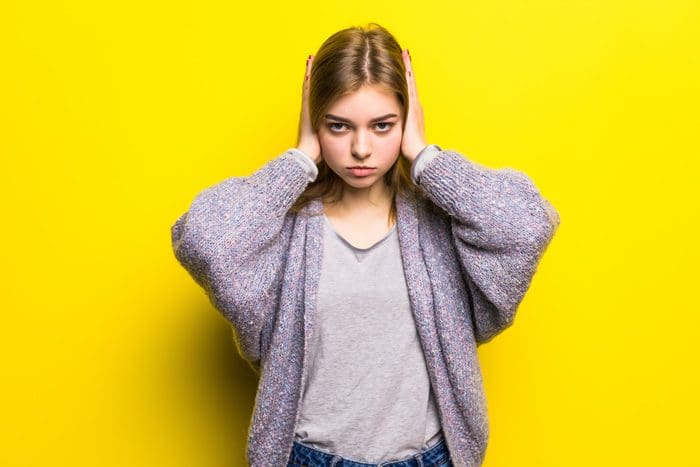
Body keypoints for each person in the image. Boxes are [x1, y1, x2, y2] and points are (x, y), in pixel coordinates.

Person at [171, 23, 560, 467]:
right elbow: (204, 239)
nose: (361, 148)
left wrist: (424, 154)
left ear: (408, 118)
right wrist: (298, 160)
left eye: (382, 126)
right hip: (305, 457)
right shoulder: (287, 228)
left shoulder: (437, 221)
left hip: (428, 458)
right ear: (315, 122)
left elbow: (526, 226)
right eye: (338, 126)